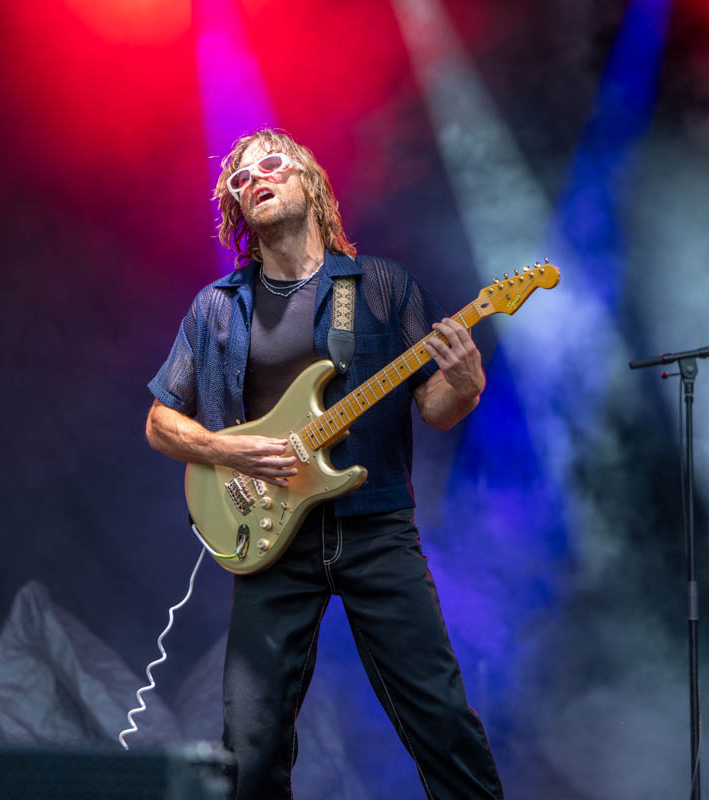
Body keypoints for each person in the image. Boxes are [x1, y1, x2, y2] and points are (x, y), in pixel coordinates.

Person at [146, 128, 504, 799]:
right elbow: (160, 421)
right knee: (250, 741)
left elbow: (436, 408)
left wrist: (466, 381)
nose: (255, 178)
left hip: (376, 529)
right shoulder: (218, 307)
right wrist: (229, 449)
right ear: (236, 207)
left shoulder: (381, 286)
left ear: (308, 181)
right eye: (240, 178)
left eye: (270, 164)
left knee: (440, 717)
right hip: (271, 541)